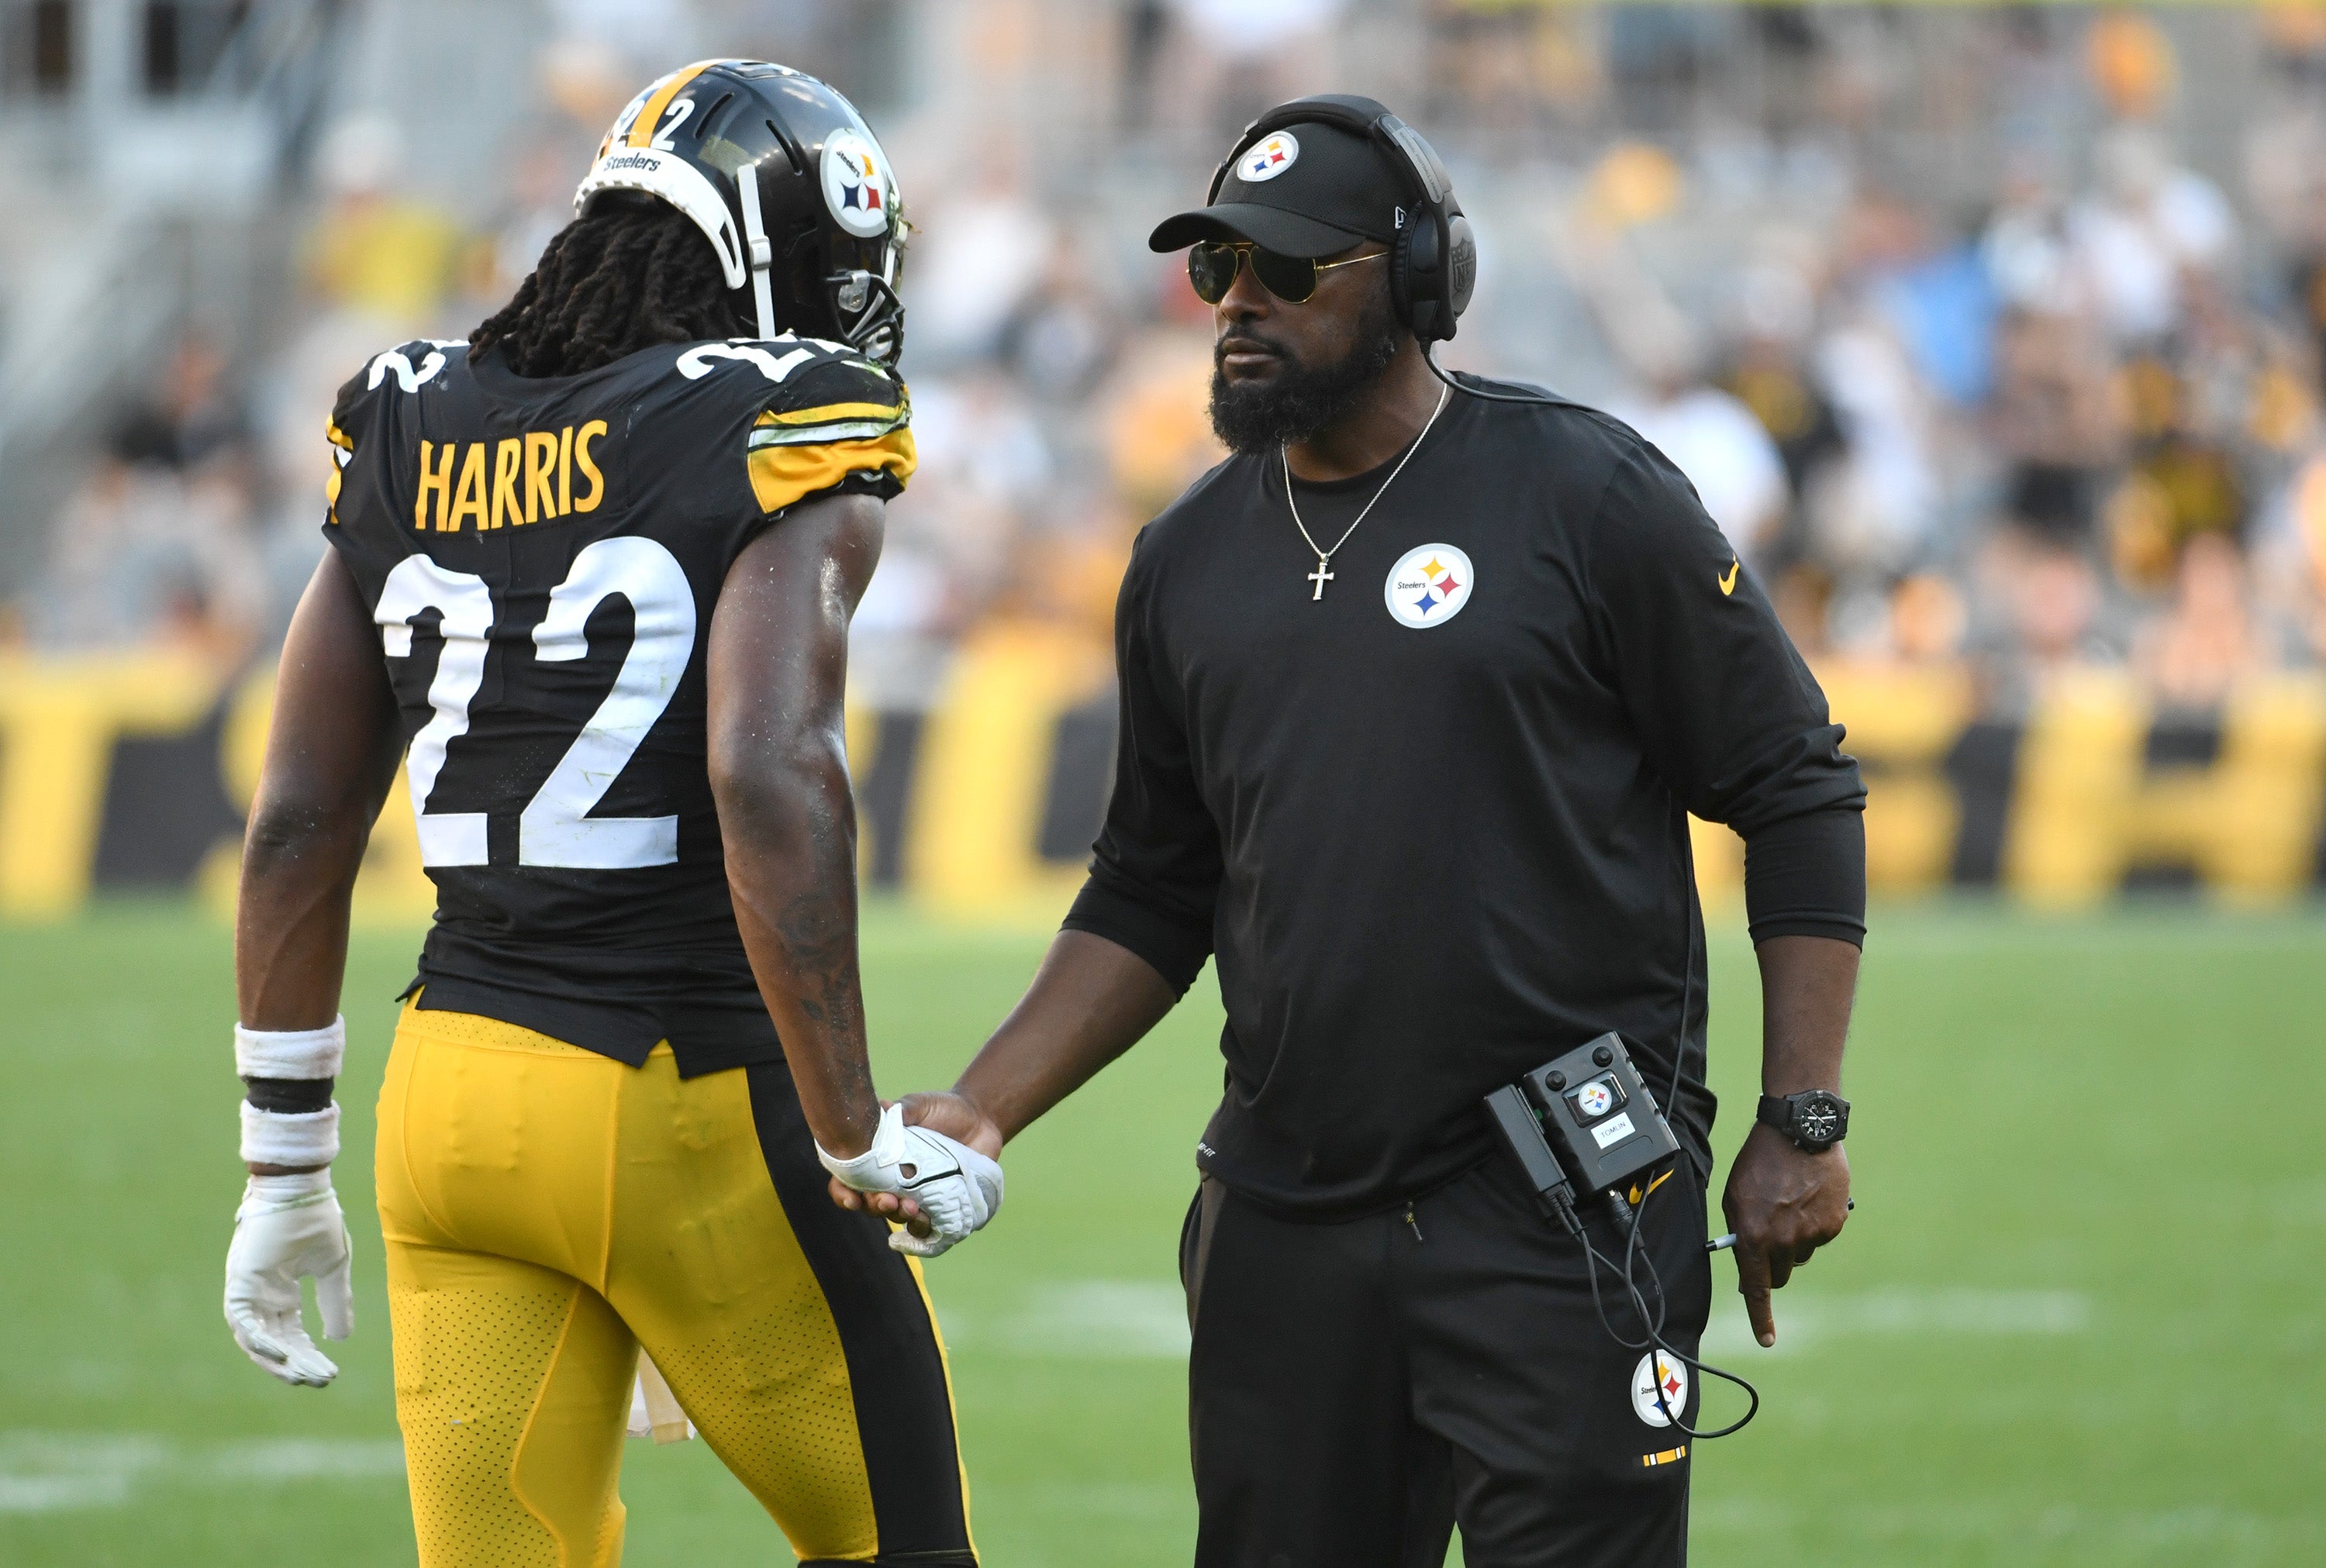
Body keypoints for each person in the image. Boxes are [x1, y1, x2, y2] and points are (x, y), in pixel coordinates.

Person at [851, 97, 1865, 1566]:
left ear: (1415, 280)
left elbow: (1796, 785)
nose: (1238, 304)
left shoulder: (1585, 494)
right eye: (1218, 273)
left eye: (1285, 269)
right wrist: (985, 1101)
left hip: (1565, 1206)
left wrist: (1802, 1118)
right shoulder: (1184, 561)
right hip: (1284, 1215)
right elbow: (1152, 887)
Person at [221, 61, 996, 1567]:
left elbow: (302, 817)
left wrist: (281, 1159)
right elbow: (767, 767)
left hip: (450, 1108)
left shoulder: (409, 408)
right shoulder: (784, 412)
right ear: (772, 258)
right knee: (903, 1551)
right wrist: (851, 1127)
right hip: (679, 1090)